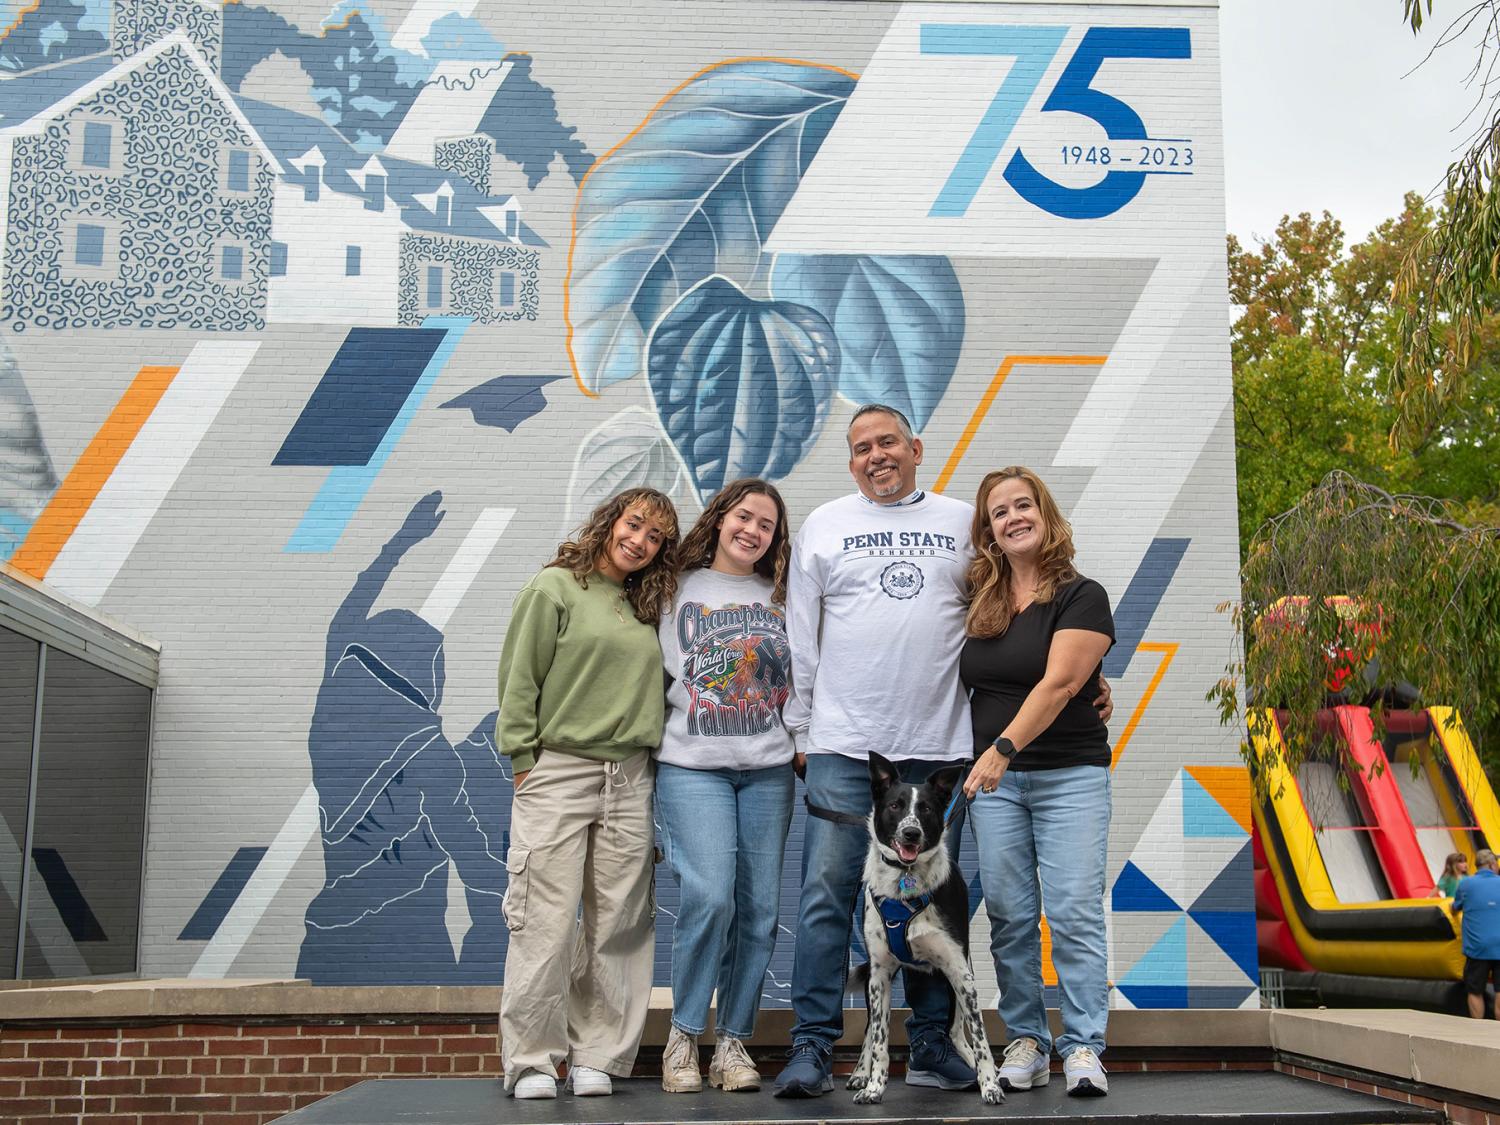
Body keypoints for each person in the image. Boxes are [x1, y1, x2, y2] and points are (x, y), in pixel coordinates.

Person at [774, 405, 1112, 1098]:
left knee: (940, 902)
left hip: (940, 751)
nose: (876, 455)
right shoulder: (824, 526)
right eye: (861, 447)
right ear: (851, 460)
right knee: (825, 898)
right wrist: (802, 730)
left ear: (916, 447)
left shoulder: (964, 521)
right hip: (846, 747)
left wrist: (1089, 676)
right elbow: (800, 634)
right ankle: (811, 1045)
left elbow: (1026, 606)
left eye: (888, 441)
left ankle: (931, 1044)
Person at [496, 487, 680, 1100]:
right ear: (610, 521)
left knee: (619, 924)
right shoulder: (554, 588)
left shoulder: (644, 605)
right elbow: (520, 680)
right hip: (561, 770)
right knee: (542, 920)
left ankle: (598, 1054)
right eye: (634, 525)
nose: (640, 541)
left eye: (655, 537)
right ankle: (531, 1061)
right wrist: (526, 761)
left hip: (630, 776)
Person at [960, 466, 1116, 1098]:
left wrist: (1000, 749)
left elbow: (1061, 683)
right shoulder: (981, 600)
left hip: (1067, 777)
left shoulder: (1082, 595)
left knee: (1074, 913)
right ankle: (1026, 1038)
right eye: (1000, 512)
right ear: (989, 530)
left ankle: (1082, 1045)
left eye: (1023, 505)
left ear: (1045, 515)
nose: (1013, 517)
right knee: (1010, 916)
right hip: (997, 789)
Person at [656, 479, 795, 1094]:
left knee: (760, 911)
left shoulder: (785, 595)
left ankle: (733, 1042)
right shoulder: (671, 589)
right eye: (744, 517)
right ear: (719, 519)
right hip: (691, 764)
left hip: (767, 767)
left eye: (766, 525)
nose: (752, 531)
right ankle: (684, 1034)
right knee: (710, 896)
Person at [1452, 848, 1500, 1021]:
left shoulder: (1466, 884)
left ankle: (1477, 1030)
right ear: (1493, 864)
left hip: (1477, 948)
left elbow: (1454, 907)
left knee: (1475, 990)